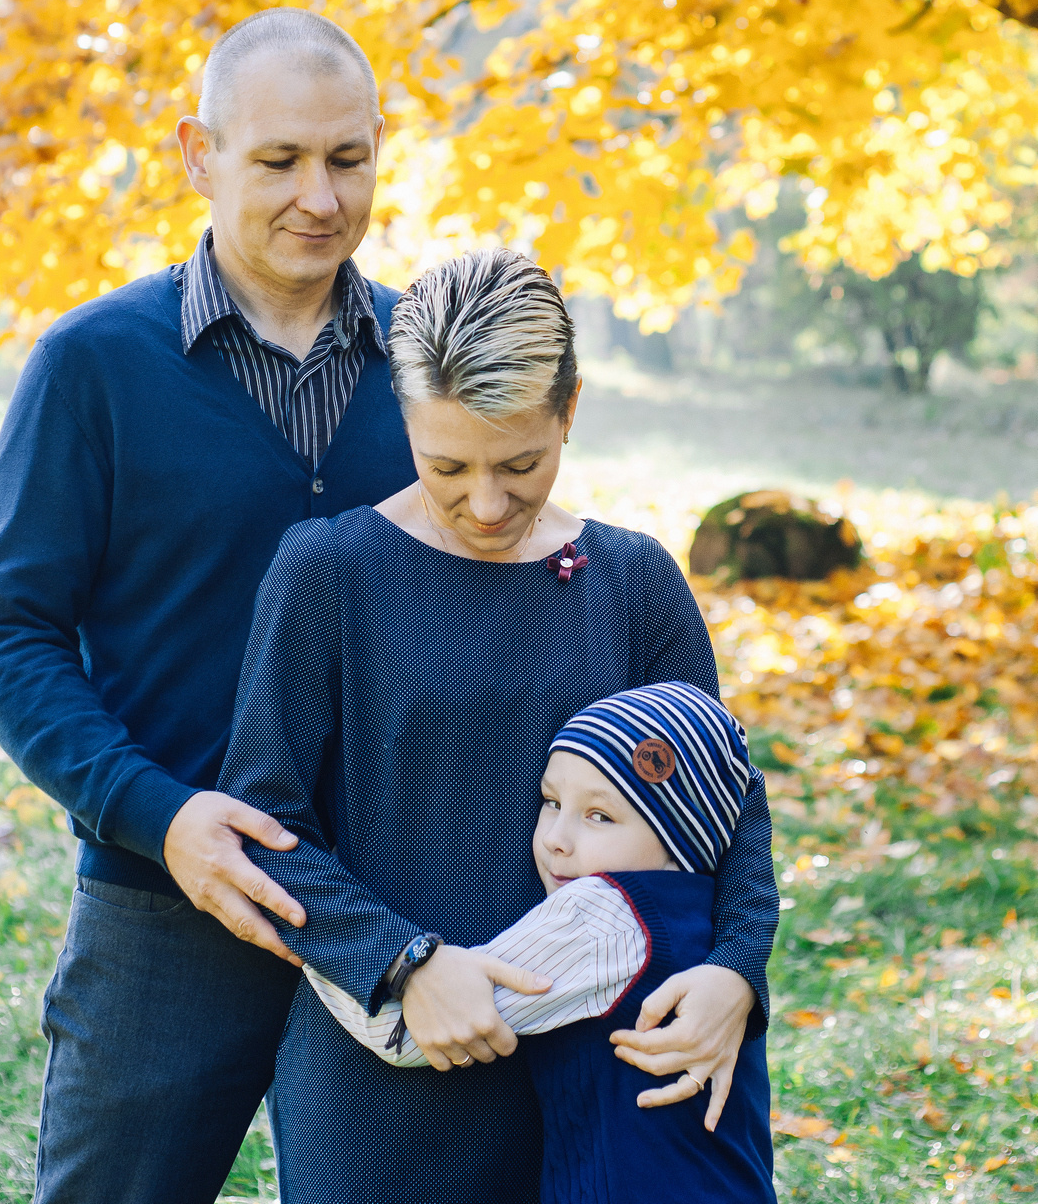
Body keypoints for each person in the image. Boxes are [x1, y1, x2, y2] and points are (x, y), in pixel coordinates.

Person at [0, 10, 420, 1204]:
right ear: (197, 155)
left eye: (347, 158)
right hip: (161, 910)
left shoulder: (429, 366)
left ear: (381, 147)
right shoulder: (94, 365)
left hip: (391, 914)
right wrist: (157, 818)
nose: (318, 197)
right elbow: (11, 637)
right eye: (277, 160)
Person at [219, 248, 780, 1204]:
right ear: (405, 423)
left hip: (608, 1082)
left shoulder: (635, 585)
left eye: (521, 462)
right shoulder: (326, 575)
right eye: (448, 465)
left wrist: (737, 976)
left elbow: (727, 813)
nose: (487, 503)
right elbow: (265, 825)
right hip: (382, 1091)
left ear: (569, 411)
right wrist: (402, 966)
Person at [305, 681, 777, 1204]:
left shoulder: (603, 915)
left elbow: (403, 1031)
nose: (556, 836)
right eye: (551, 802)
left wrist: (314, 928)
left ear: (684, 836)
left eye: (600, 815)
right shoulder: (705, 912)